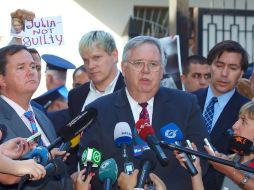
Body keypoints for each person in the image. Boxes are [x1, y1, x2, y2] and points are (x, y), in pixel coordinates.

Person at [80, 36, 209, 189]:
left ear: (162, 71)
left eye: (153, 64)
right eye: (138, 63)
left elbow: (202, 161)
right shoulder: (98, 111)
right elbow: (90, 170)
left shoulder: (186, 105)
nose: (146, 71)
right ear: (124, 68)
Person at [0, 44, 73, 189]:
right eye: (21, 67)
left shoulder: (41, 116)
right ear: (1, 79)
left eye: (33, 67)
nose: (31, 72)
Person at [192, 40, 250, 190]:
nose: (224, 74)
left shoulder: (247, 113)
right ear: (209, 66)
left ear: (241, 73)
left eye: (232, 68)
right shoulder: (187, 100)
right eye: (219, 65)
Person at [67, 30, 125, 175]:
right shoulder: (76, 96)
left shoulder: (131, 89)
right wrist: (74, 172)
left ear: (114, 55)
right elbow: (72, 142)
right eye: (85, 60)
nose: (91, 65)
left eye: (97, 57)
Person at [175, 101, 254, 189]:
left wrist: (229, 170)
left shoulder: (229, 166)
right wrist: (196, 170)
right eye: (238, 119)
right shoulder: (233, 160)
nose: (235, 126)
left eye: (243, 121)